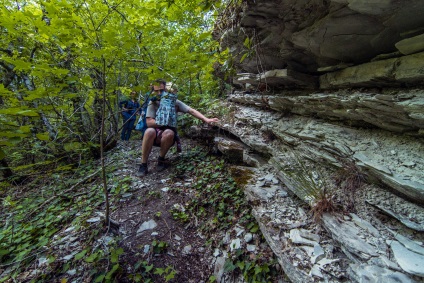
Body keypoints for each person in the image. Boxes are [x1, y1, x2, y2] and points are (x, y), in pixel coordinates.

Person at [136, 81, 219, 177]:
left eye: (161, 90)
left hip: (168, 135)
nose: (159, 93)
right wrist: (164, 121)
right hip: (154, 133)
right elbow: (149, 122)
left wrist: (206, 119)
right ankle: (143, 164)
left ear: (166, 89)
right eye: (156, 91)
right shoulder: (152, 103)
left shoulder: (174, 102)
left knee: (168, 133)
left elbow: (191, 110)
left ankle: (161, 159)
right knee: (149, 131)